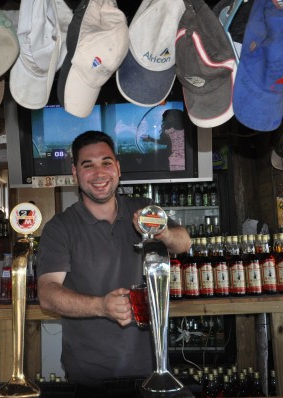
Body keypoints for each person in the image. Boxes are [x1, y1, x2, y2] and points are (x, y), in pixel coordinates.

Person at [37, 130, 191, 391]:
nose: (99, 173)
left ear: (118, 168)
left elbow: (184, 243)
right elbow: (48, 294)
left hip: (153, 367)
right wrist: (101, 306)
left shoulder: (142, 208)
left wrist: (160, 232)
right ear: (75, 172)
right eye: (88, 165)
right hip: (89, 376)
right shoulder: (60, 228)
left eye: (106, 163)